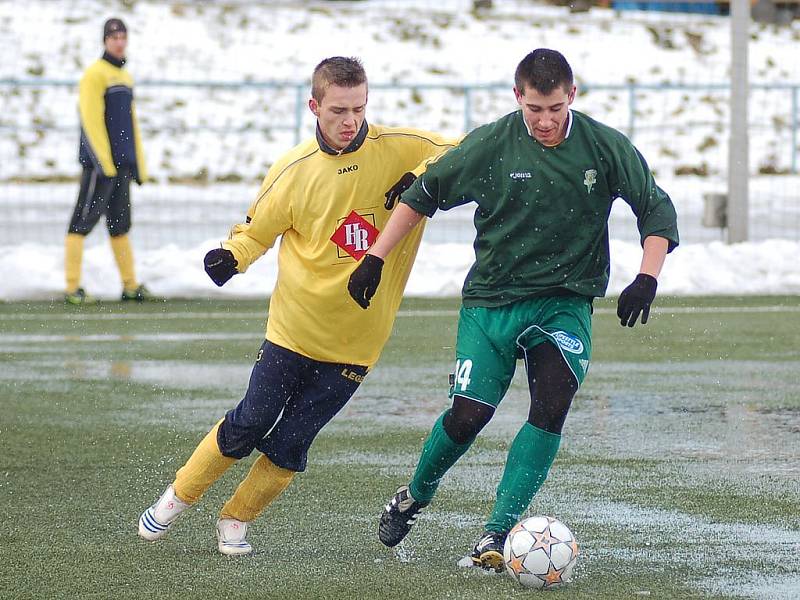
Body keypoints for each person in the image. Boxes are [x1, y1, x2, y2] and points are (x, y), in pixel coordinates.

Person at [348, 48, 679, 573]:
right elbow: (423, 193)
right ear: (517, 98)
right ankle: (414, 494)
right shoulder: (491, 144)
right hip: (491, 303)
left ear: (572, 95)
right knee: (468, 416)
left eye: (554, 108)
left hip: (563, 304)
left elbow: (655, 206)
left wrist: (647, 275)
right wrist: (374, 258)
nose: (545, 121)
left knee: (551, 405)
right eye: (534, 110)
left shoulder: (604, 146)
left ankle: (496, 533)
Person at [137, 56, 455, 555]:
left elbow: (464, 148)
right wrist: (230, 257)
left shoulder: (399, 148)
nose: (350, 121)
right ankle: (178, 496)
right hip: (293, 332)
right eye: (338, 110)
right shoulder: (293, 170)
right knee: (249, 422)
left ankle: (236, 520)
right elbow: (255, 232)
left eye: (358, 108)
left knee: (291, 444)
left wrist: (417, 176)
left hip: (357, 346)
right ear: (314, 106)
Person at [64, 17, 156, 305]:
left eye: (122, 36)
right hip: (100, 166)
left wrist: (138, 164)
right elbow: (90, 120)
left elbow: (132, 126)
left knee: (120, 225)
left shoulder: (125, 78)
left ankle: (130, 285)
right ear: (105, 40)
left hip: (123, 166)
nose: (119, 41)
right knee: (81, 221)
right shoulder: (94, 74)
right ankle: (72, 287)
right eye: (113, 36)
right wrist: (103, 162)